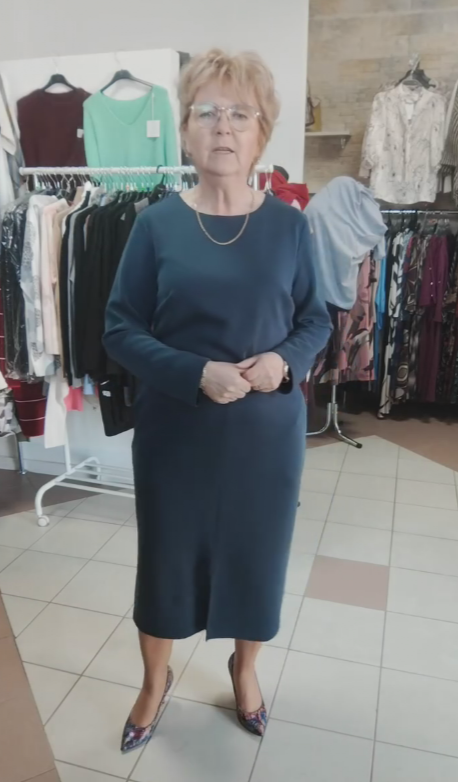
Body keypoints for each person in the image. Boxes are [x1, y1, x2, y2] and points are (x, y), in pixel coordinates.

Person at [103, 48, 331, 754]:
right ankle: (154, 680)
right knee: (165, 565)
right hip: (177, 433)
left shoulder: (290, 226)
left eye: (239, 113)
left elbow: (315, 320)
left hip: (266, 438)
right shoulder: (155, 225)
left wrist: (283, 363)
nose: (223, 126)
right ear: (185, 129)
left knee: (256, 560)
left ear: (261, 132)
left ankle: (245, 668)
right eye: (207, 112)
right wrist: (195, 372)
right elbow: (119, 328)